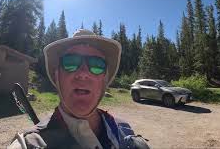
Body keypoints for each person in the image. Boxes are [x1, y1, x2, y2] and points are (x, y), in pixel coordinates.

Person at [8, 29, 149, 149]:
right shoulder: (29, 143)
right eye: (70, 63)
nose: (83, 74)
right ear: (57, 77)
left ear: (105, 80)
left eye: (96, 65)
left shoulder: (123, 129)